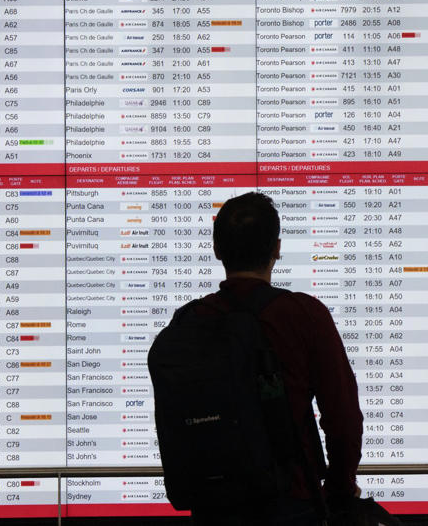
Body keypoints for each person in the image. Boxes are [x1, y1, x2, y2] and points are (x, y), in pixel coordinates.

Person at [150, 192, 363, 525]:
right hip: (291, 503)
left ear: (217, 249)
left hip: (213, 507)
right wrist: (339, 488)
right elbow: (343, 417)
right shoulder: (302, 314)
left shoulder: (191, 320)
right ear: (277, 249)